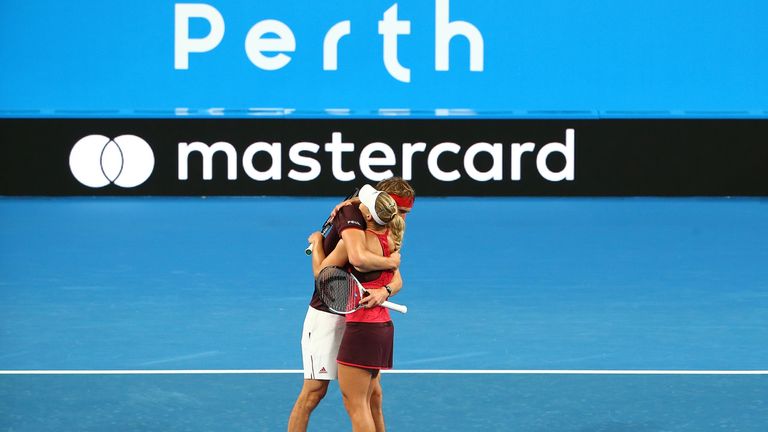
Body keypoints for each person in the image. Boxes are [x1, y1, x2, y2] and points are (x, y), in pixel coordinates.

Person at [288, 178, 415, 432]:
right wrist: (317, 245)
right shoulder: (350, 215)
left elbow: (395, 277)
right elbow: (352, 261)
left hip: (360, 316)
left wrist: (384, 291)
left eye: (404, 213)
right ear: (384, 203)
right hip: (327, 312)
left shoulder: (387, 226)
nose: (401, 217)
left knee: (373, 396)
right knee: (314, 392)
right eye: (400, 210)